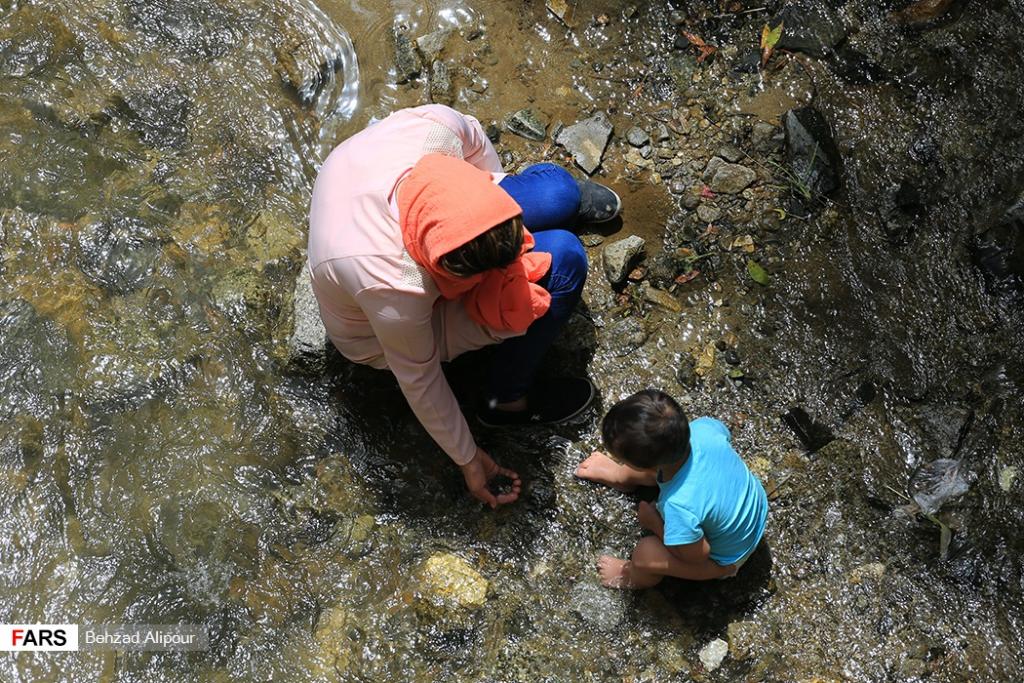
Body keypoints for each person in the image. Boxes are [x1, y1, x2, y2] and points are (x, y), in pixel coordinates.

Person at [308, 105, 620, 509]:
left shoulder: (436, 129)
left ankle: (520, 225)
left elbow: (482, 162)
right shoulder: (393, 283)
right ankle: (505, 401)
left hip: (417, 200)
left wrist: (489, 222)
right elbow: (418, 377)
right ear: (442, 270)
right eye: (480, 274)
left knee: (558, 191)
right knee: (564, 257)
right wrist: (469, 459)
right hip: (377, 332)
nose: (505, 271)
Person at [575, 389, 768, 588]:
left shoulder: (678, 505)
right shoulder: (704, 429)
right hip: (755, 506)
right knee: (667, 465)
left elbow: (697, 555)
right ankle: (619, 475)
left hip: (726, 560)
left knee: (645, 553)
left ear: (640, 466)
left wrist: (655, 523)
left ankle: (632, 576)